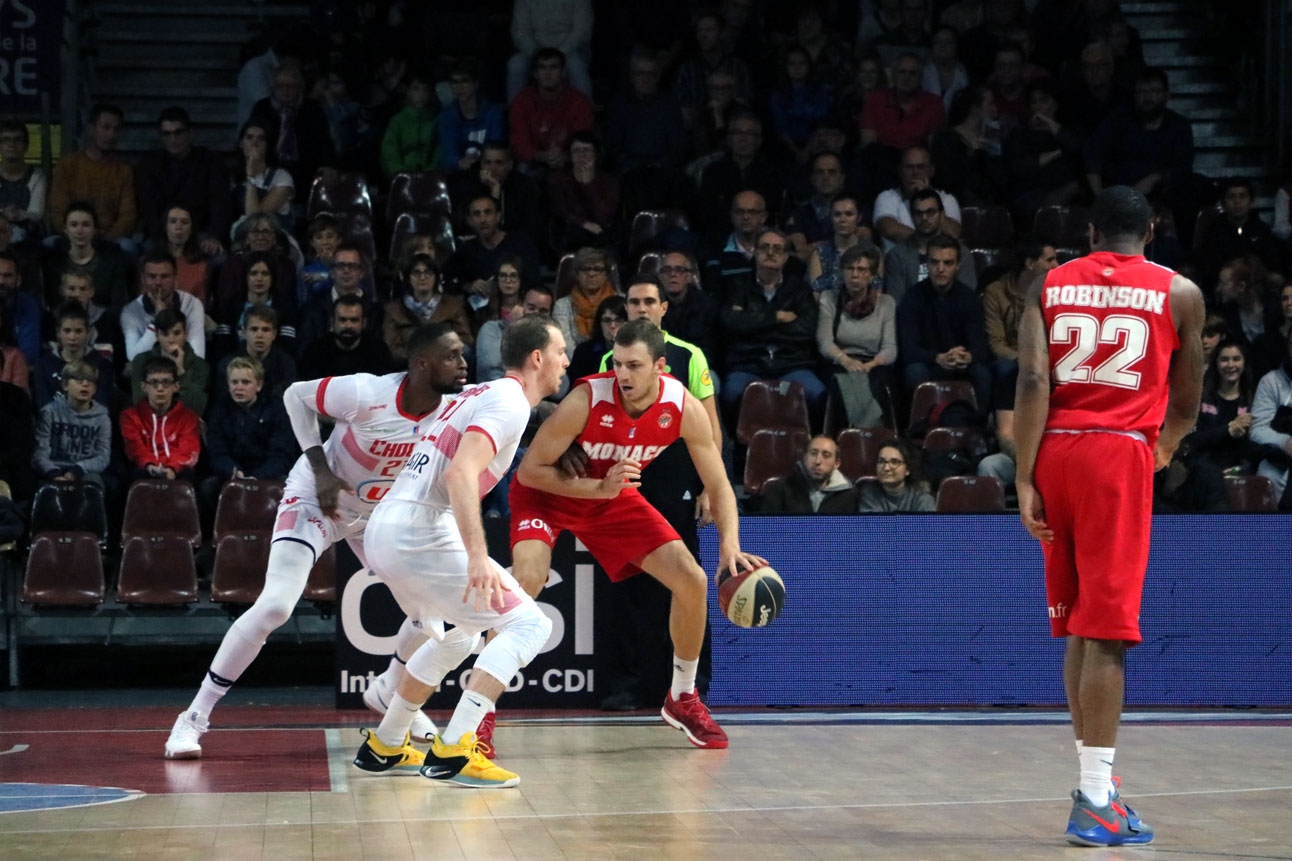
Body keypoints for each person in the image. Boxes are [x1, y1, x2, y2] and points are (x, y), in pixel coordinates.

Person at [166, 324, 470, 760]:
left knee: (433, 617)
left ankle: (388, 689)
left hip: (379, 515)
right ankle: (193, 717)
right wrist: (321, 466)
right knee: (274, 606)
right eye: (452, 355)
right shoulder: (365, 393)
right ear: (422, 364)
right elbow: (294, 395)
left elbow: (526, 408)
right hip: (318, 499)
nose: (463, 364)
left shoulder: (458, 404)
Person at [1014, 185, 1205, 846]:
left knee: (1075, 623)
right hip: (1117, 452)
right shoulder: (1179, 292)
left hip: (1057, 452)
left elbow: (1034, 382)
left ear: (1091, 231)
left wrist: (1024, 474)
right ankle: (1096, 795)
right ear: (1150, 230)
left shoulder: (1048, 282)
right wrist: (1166, 447)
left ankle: (1097, 783)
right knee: (1108, 630)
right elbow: (1188, 396)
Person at [509, 318, 764, 750]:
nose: (623, 375)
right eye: (619, 364)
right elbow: (531, 473)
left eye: (634, 366)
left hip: (610, 497)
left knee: (693, 580)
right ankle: (478, 716)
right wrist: (598, 487)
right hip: (550, 496)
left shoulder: (682, 406)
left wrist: (730, 545)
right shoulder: (587, 398)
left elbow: (719, 485)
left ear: (661, 367)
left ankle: (683, 696)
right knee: (527, 580)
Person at [352, 315, 569, 787]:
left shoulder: (483, 395)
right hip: (420, 528)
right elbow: (459, 475)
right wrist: (476, 557)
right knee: (530, 624)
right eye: (559, 351)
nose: (565, 360)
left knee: (460, 634)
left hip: (389, 526)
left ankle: (386, 744)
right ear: (537, 358)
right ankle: (455, 748)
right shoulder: (508, 400)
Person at [718, 228, 826, 424]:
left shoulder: (800, 290)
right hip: (748, 363)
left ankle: (807, 444)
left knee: (816, 392)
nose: (770, 253)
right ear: (755, 253)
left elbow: (806, 330)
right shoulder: (737, 286)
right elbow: (730, 323)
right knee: (730, 394)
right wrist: (776, 317)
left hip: (791, 364)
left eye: (777, 249)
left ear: (785, 257)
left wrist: (754, 325)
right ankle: (735, 450)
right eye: (765, 247)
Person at [978, 236, 1060, 486]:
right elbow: (1006, 435)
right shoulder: (997, 292)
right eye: (1050, 259)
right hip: (1023, 456)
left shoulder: (1058, 297)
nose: (1057, 265)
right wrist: (1031, 464)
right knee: (988, 465)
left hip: (1057, 457)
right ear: (1030, 263)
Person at [895, 234, 992, 416]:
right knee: (914, 371)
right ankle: (918, 431)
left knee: (982, 373)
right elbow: (907, 349)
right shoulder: (912, 298)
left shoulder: (969, 298)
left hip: (960, 365)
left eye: (947, 263)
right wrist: (938, 358)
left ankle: (978, 433)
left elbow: (981, 346)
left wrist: (968, 357)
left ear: (957, 266)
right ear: (927, 265)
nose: (940, 269)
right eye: (934, 262)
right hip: (929, 363)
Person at [817, 244, 898, 428]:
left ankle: (875, 438)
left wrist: (871, 364)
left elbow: (890, 348)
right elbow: (824, 342)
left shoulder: (886, 303)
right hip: (839, 361)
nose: (855, 275)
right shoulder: (828, 298)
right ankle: (847, 437)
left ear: (871, 275)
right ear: (842, 272)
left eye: (861, 270)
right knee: (840, 386)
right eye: (850, 269)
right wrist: (845, 360)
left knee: (881, 385)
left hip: (873, 362)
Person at [134, 107, 232, 251]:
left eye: (178, 132)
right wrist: (164, 238)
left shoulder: (211, 161)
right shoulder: (150, 165)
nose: (173, 140)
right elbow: (149, 209)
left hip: (201, 233)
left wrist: (214, 235)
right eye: (167, 134)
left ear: (190, 133)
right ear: (160, 136)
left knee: (218, 258)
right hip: (163, 235)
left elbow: (220, 201)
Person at [45, 104, 136, 246]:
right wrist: (77, 235)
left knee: (127, 247)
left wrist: (107, 238)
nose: (111, 135)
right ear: (91, 129)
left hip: (108, 240)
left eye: (116, 130)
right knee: (49, 244)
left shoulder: (124, 170)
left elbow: (128, 215)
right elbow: (58, 210)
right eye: (105, 128)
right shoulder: (68, 165)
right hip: (72, 237)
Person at [508, 48, 595, 173]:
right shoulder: (522, 102)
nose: (547, 73)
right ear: (535, 73)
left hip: (569, 160)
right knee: (522, 167)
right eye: (542, 68)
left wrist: (566, 156)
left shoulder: (579, 102)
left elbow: (584, 139)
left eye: (553, 67)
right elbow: (519, 143)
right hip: (535, 161)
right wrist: (542, 156)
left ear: (564, 72)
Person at [883, 188, 976, 304]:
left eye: (931, 212)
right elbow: (896, 303)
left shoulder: (961, 253)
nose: (924, 218)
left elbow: (966, 300)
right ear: (912, 216)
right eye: (918, 213)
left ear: (942, 215)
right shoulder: (897, 255)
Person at [119, 356, 202, 483]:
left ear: (176, 386)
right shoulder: (129, 416)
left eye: (166, 382)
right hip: (145, 470)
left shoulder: (189, 417)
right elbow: (135, 448)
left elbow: (188, 449)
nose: (160, 388)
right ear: (143, 386)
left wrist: (171, 469)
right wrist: (151, 467)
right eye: (154, 382)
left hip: (178, 471)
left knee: (190, 478)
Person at [32, 358, 111, 489]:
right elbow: (40, 452)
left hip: (84, 470)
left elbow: (102, 456)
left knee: (93, 485)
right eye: (79, 380)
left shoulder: (102, 417)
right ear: (65, 385)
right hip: (52, 469)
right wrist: (53, 473)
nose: (85, 384)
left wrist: (77, 470)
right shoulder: (49, 412)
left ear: (95, 389)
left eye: (90, 381)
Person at [383, 255, 473, 364]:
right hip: (411, 364)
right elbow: (393, 348)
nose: (422, 277)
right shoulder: (394, 309)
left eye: (428, 272)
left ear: (436, 277)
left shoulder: (454, 304)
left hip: (447, 362)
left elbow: (466, 339)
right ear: (408, 277)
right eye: (416, 273)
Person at [871, 145, 962, 252]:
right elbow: (890, 230)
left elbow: (953, 233)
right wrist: (930, 242)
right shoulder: (887, 197)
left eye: (921, 167)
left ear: (931, 171)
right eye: (909, 167)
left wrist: (929, 197)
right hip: (900, 265)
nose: (915, 173)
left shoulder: (947, 199)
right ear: (900, 171)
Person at [120, 252, 206, 362]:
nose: (158, 282)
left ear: (175, 278)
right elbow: (134, 357)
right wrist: (157, 320)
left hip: (183, 367)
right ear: (143, 279)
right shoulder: (130, 311)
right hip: (149, 371)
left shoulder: (191, 304)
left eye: (164, 276)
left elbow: (198, 354)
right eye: (152, 276)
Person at [31, 303, 115, 411]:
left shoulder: (102, 365)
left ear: (88, 332)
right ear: (58, 332)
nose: (72, 337)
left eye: (78, 331)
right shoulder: (43, 365)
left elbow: (101, 404)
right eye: (67, 331)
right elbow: (44, 404)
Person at [127, 308, 210, 416]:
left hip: (184, 423)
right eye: (165, 334)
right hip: (150, 423)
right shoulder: (141, 361)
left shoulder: (200, 366)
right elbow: (139, 400)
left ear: (186, 334)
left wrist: (180, 370)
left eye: (176, 333)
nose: (171, 339)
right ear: (157, 336)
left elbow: (197, 406)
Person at [547, 132, 621, 253]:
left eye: (586, 150)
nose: (582, 155)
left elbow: (605, 213)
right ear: (570, 155)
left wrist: (587, 183)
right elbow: (560, 210)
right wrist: (584, 224)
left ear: (596, 154)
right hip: (571, 230)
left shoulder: (609, 181)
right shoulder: (558, 180)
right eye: (576, 151)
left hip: (602, 230)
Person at [507, 0, 594, 101]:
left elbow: (582, 31)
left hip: (571, 51)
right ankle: (515, 112)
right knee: (516, 65)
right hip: (534, 50)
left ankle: (584, 110)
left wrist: (561, 52)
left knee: (576, 66)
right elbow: (520, 31)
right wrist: (534, 51)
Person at [213, 304, 298, 403]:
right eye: (254, 329)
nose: (259, 335)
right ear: (244, 332)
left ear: (274, 334)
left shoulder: (286, 365)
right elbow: (221, 405)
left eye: (266, 330)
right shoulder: (227, 364)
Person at [299, 295, 394, 379]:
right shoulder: (314, 352)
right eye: (342, 320)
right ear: (332, 321)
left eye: (354, 320)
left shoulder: (379, 352)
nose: (348, 325)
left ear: (364, 323)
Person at [759, 434, 857, 513]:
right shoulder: (780, 488)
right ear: (805, 458)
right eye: (813, 453)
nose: (818, 461)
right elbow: (766, 532)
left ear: (837, 463)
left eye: (826, 455)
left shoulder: (849, 495)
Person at [438, 60, 506, 173]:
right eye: (455, 82)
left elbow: (496, 149)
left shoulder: (493, 113)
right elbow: (447, 154)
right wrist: (459, 162)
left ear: (476, 84)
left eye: (464, 81)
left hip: (490, 172)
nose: (459, 87)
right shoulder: (446, 117)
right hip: (458, 175)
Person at [231, 118, 295, 235]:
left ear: (267, 146)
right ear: (241, 143)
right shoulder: (232, 177)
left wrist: (250, 175)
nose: (255, 143)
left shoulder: (281, 177)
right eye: (249, 137)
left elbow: (255, 219)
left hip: (276, 240)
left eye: (261, 139)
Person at [1250, 326, 1292, 505]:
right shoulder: (1271, 381)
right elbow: (1257, 430)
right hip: (1280, 459)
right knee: (1265, 474)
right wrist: (1286, 442)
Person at [475, 287, 554, 383]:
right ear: (520, 306)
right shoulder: (491, 328)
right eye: (531, 308)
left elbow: (561, 389)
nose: (536, 315)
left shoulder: (550, 339)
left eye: (543, 311)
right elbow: (491, 367)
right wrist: (515, 329)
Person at [552, 247, 618, 358]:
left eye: (597, 269)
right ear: (577, 274)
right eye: (586, 269)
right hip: (575, 366)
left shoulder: (620, 302)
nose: (591, 274)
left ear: (606, 274)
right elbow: (565, 346)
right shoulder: (563, 306)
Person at [380, 70, 440, 180]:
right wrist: (400, 173)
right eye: (416, 89)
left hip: (429, 179)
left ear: (431, 93)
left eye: (425, 90)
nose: (421, 94)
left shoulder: (436, 121)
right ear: (408, 92)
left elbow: (439, 152)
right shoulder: (397, 121)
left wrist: (430, 173)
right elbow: (389, 152)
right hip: (400, 178)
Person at [0, 120, 47, 243]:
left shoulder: (37, 176)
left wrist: (19, 215)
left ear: (26, 146)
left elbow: (37, 214)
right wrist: (4, 214)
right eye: (6, 139)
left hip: (29, 241)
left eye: (18, 139)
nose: (12, 144)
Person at [857, 439, 935, 512]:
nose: (886, 468)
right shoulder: (868, 493)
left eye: (894, 462)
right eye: (881, 461)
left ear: (907, 470)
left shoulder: (922, 499)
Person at [160, 205, 214, 308]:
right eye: (172, 221)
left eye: (184, 222)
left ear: (191, 229)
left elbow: (201, 302)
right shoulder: (150, 262)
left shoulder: (201, 265)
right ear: (165, 227)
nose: (178, 227)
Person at [568, 294, 625, 383]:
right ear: (600, 324)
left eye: (618, 320)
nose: (613, 325)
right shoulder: (584, 352)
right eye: (607, 320)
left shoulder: (638, 350)